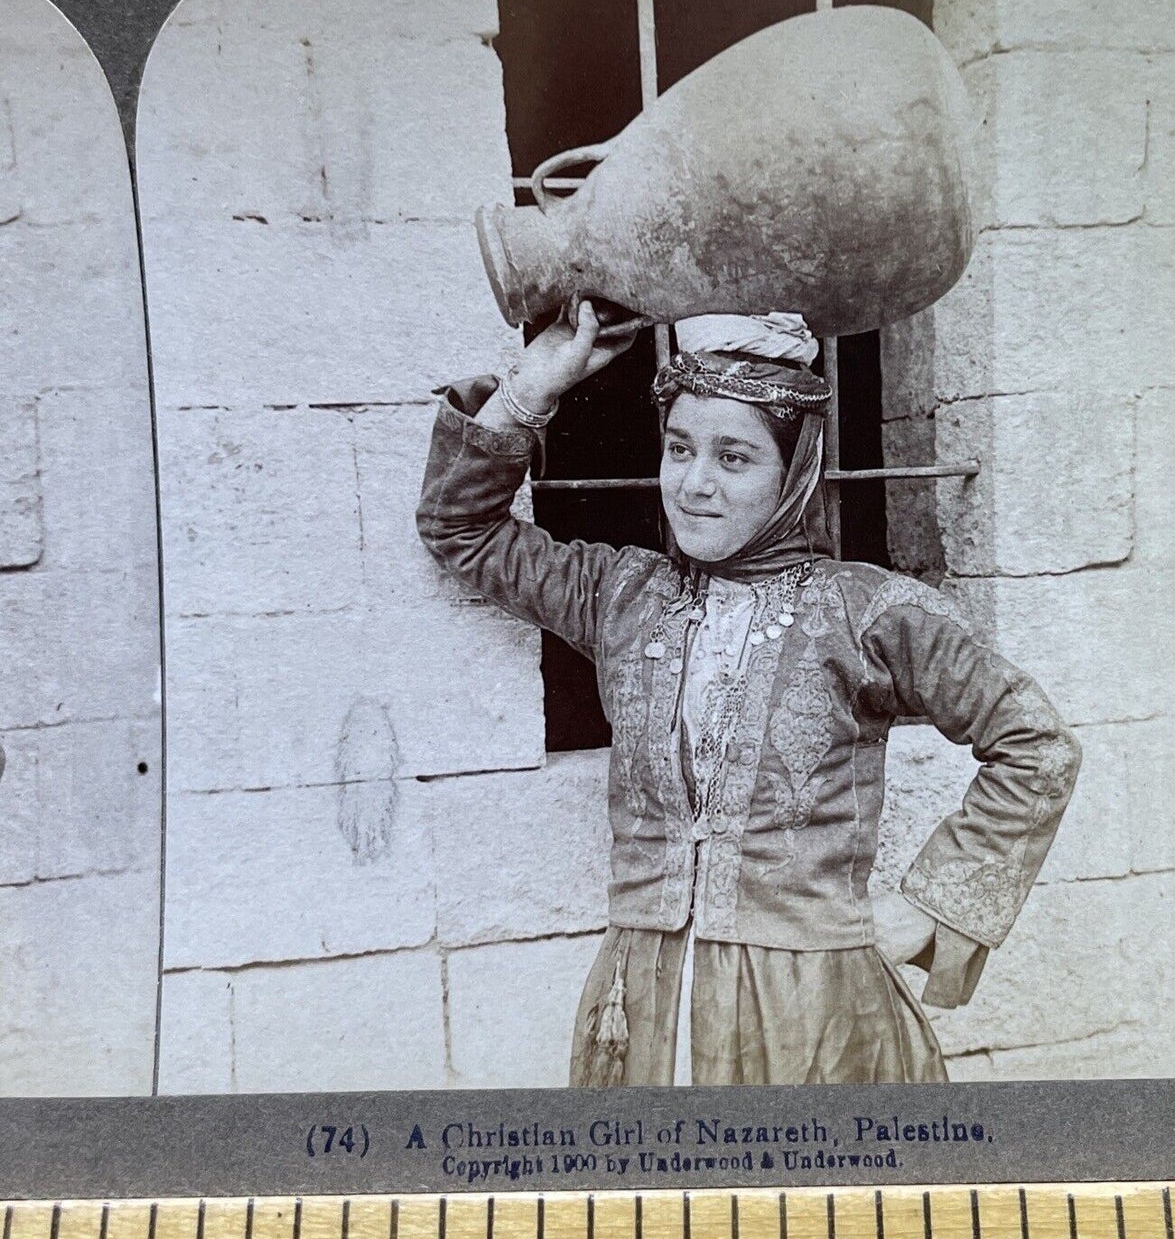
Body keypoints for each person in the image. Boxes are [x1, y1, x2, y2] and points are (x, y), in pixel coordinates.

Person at [416, 302, 1081, 1086]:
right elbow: (460, 526)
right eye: (678, 448)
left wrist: (934, 908)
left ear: (792, 472)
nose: (694, 484)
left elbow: (1035, 745)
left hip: (813, 1018)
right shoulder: (622, 594)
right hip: (639, 1010)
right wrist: (533, 387)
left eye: (734, 458)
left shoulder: (867, 612)